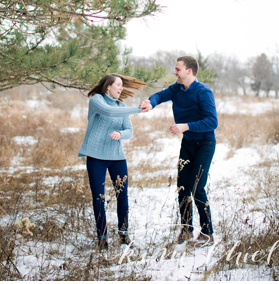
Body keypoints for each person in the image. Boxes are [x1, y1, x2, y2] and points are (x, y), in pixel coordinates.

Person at [139, 56, 218, 247]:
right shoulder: (176, 88)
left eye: (178, 70)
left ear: (189, 71)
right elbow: (160, 95)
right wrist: (151, 102)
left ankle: (208, 233)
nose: (175, 73)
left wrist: (186, 126)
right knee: (183, 187)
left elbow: (212, 121)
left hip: (205, 143)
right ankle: (186, 230)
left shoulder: (203, 92)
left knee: (197, 187)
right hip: (188, 144)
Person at [77, 73, 146, 250]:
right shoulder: (96, 100)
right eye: (118, 85)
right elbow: (109, 112)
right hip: (96, 157)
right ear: (108, 86)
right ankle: (102, 238)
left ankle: (123, 234)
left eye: (122, 85)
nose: (121, 88)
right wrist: (137, 109)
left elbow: (129, 131)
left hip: (117, 157)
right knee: (99, 198)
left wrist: (121, 134)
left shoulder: (121, 106)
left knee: (122, 196)